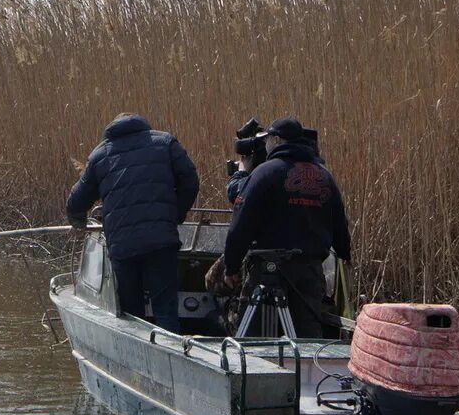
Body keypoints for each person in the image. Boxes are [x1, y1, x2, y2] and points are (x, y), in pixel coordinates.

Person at [206, 117, 350, 338]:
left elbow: (240, 225)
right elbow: (340, 224)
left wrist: (232, 267)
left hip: (268, 270)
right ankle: (307, 373)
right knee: (307, 337)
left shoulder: (265, 173)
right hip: (310, 270)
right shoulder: (324, 176)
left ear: (275, 139)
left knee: (253, 338)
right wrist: (344, 253)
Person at [67, 113, 200, 333]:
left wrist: (78, 222)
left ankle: (135, 363)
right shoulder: (164, 142)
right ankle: (170, 357)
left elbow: (76, 202)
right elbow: (190, 181)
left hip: (123, 247)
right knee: (165, 310)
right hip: (161, 242)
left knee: (131, 315)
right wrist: (173, 215)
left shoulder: (100, 155)